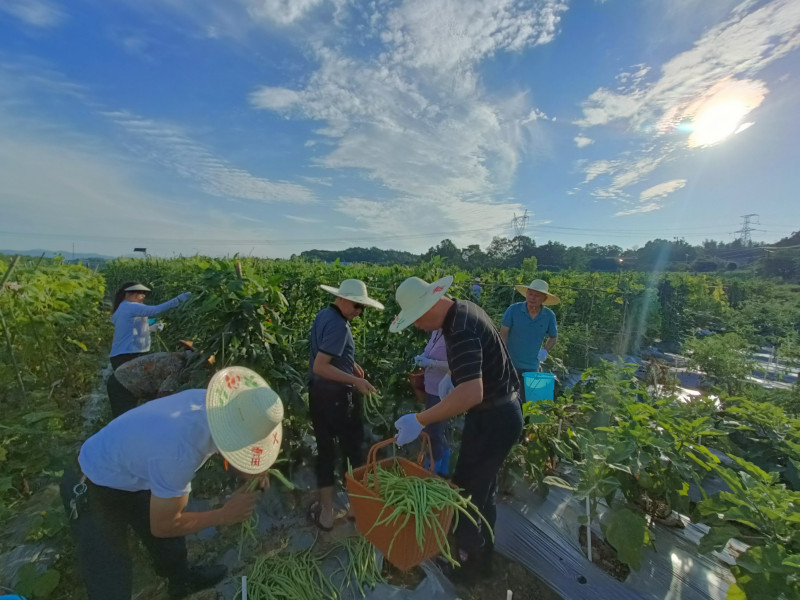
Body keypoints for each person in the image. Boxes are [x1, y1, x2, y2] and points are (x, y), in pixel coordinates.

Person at [60, 366, 283, 600]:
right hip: (93, 485)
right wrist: (224, 514)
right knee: (110, 575)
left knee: (170, 547)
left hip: (135, 470)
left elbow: (224, 441)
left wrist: (252, 469)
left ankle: (182, 582)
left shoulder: (212, 406)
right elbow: (164, 525)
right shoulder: (179, 453)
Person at [389, 276, 522, 585]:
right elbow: (476, 365)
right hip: (497, 413)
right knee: (481, 490)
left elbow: (471, 393)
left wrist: (420, 420)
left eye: (417, 319)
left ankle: (466, 568)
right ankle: (483, 559)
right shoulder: (463, 309)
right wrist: (453, 374)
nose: (419, 326)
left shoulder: (458, 328)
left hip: (494, 417)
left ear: (431, 305)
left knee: (466, 495)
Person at [307, 279, 384, 531]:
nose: (359, 312)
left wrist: (350, 364)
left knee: (325, 452)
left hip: (319, 395)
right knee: (353, 452)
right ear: (342, 299)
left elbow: (326, 354)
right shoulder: (340, 325)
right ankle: (355, 509)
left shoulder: (323, 315)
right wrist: (354, 381)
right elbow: (321, 365)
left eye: (362, 307)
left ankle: (326, 514)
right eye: (356, 305)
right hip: (339, 399)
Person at [107, 341, 202, 417]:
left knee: (126, 421)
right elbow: (163, 396)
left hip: (121, 379)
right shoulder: (178, 366)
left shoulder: (173, 357)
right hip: (122, 384)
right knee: (124, 423)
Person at [499, 279, 558, 401]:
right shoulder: (513, 310)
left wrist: (545, 350)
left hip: (531, 366)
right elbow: (503, 334)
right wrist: (503, 354)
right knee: (507, 397)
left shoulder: (548, 316)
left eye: (537, 296)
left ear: (544, 299)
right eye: (530, 294)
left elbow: (553, 337)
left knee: (527, 400)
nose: (532, 298)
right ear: (526, 294)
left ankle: (525, 419)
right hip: (511, 363)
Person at [109, 282, 191, 369]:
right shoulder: (130, 306)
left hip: (124, 355)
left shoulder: (123, 307)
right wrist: (179, 299)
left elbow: (130, 329)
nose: (143, 296)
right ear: (129, 294)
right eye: (141, 293)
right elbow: (155, 310)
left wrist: (150, 328)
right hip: (128, 355)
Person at [413, 330, 450, 475]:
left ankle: (434, 469)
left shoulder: (452, 335)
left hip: (442, 391)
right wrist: (423, 357)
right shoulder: (436, 332)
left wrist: (432, 363)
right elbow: (429, 351)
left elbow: (455, 364)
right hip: (431, 387)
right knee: (438, 430)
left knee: (434, 431)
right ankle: (444, 468)